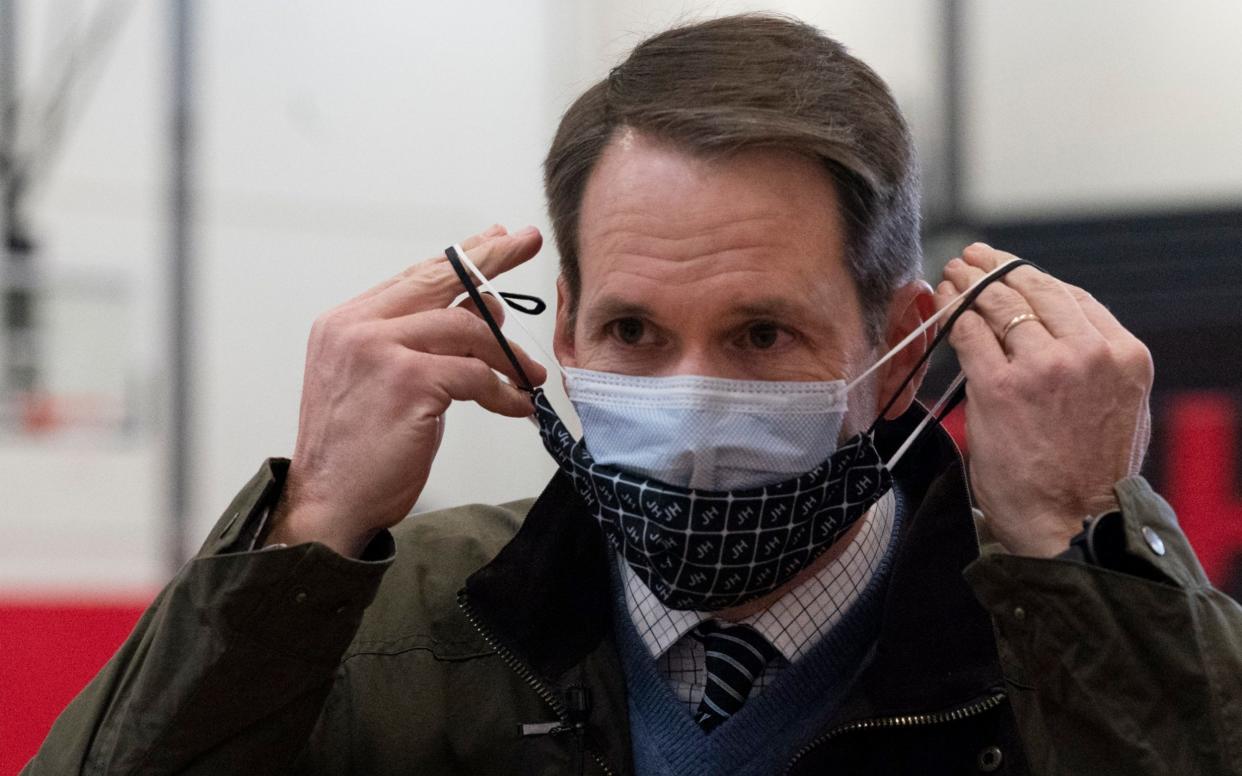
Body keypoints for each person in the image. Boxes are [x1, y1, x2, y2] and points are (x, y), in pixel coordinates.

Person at [25, 14, 1242, 776]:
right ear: (558, 328)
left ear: (905, 348)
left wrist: (1081, 559)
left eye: (763, 332)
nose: (693, 399)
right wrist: (301, 546)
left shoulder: (1055, 650)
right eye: (633, 330)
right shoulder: (377, 625)